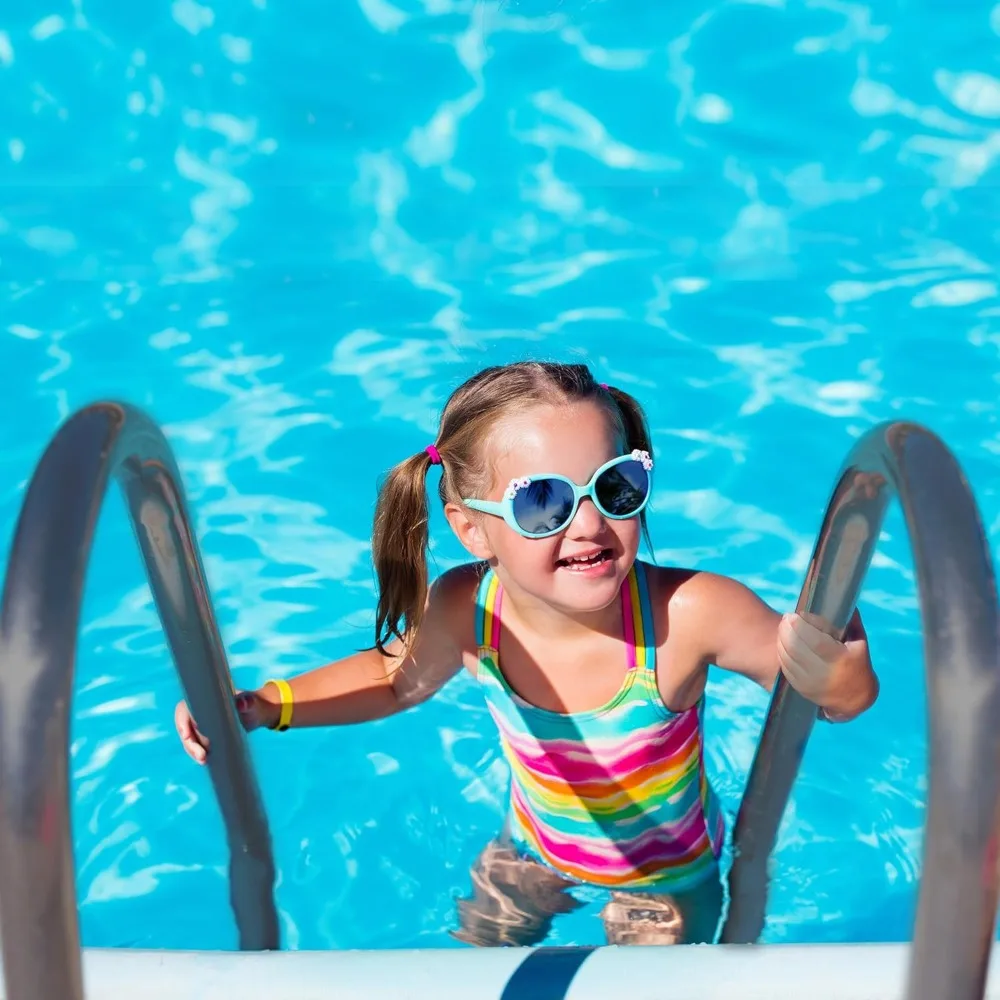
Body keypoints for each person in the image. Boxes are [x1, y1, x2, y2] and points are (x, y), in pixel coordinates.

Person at [175, 361, 878, 946]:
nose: (591, 524)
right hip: (532, 850)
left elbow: (825, 699)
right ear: (472, 531)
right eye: (544, 503)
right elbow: (394, 682)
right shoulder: (469, 609)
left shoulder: (689, 614)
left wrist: (843, 679)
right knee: (476, 968)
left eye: (617, 487)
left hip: (664, 879)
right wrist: (266, 705)